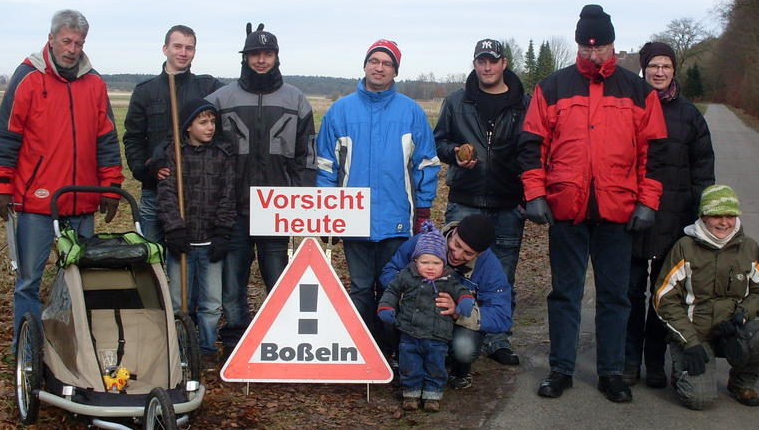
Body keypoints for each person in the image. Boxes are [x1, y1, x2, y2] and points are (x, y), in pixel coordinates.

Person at [519, 4, 667, 402]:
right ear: (577, 46)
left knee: (615, 297)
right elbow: (532, 145)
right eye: (587, 48)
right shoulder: (552, 87)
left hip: (618, 211)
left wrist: (648, 202)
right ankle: (560, 369)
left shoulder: (638, 92)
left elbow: (653, 153)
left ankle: (612, 372)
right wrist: (535, 194)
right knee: (564, 294)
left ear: (612, 44)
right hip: (566, 208)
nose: (594, 54)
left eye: (600, 47)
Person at [0, 9, 124, 350]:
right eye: (66, 41)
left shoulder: (94, 83)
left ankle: (72, 348)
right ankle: (28, 349)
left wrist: (111, 187)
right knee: (28, 281)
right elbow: (5, 135)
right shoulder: (28, 77)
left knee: (79, 281)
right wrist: (0, 186)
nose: (72, 49)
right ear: (51, 39)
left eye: (79, 43)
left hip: (82, 201)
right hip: (36, 201)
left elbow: (106, 139)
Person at [316, 39, 440, 361]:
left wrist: (423, 211)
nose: (379, 67)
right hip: (352, 219)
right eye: (374, 61)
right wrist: (328, 212)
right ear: (365, 65)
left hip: (396, 219)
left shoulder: (411, 113)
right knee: (360, 289)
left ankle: (389, 352)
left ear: (395, 71)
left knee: (392, 287)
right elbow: (326, 167)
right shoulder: (340, 111)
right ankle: (361, 351)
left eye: (387, 63)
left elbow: (427, 164)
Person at [207, 24, 317, 351]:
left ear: (276, 58)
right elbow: (195, 137)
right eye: (255, 54)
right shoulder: (220, 98)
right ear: (245, 58)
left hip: (276, 209)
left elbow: (307, 156)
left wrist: (300, 200)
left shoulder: (296, 99)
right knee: (233, 285)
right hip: (233, 208)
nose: (261, 60)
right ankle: (237, 342)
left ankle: (280, 339)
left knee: (278, 280)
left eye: (267, 54)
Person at [623, 42, 715, 389]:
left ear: (674, 70)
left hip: (674, 222)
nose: (659, 72)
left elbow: (703, 171)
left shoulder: (689, 115)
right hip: (632, 218)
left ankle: (655, 361)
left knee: (664, 296)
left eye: (666, 66)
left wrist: (700, 217)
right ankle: (629, 360)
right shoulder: (629, 106)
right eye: (653, 66)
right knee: (630, 295)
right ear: (644, 69)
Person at [433, 37, 528, 367]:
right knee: (453, 268)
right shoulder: (456, 102)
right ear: (474, 64)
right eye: (481, 61)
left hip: (508, 202)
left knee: (502, 275)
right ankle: (448, 332)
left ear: (504, 64)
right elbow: (439, 143)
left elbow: (534, 151)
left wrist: (528, 195)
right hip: (466, 199)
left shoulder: (524, 105)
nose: (487, 67)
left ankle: (498, 339)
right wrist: (455, 154)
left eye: (493, 61)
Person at [653, 184, 759, 409]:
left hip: (731, 331)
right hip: (694, 334)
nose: (724, 222)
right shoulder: (684, 247)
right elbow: (664, 299)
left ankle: (742, 383)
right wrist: (689, 342)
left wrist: (742, 315)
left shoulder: (749, 247)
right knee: (699, 399)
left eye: (730, 216)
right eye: (716, 216)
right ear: (703, 216)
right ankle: (681, 370)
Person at [380, 214, 510, 391]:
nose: (457, 255)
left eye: (468, 253)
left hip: (454, 324)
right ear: (454, 232)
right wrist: (404, 291)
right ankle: (407, 363)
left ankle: (459, 371)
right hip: (415, 317)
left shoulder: (490, 266)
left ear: (480, 254)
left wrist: (459, 312)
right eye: (457, 245)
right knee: (390, 311)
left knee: (464, 347)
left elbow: (502, 315)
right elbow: (389, 270)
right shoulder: (425, 242)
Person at [123, 25, 222, 245]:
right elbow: (133, 138)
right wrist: (144, 170)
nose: (183, 53)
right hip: (155, 192)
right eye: (177, 46)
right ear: (165, 48)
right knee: (153, 255)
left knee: (188, 255)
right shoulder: (145, 91)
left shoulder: (208, 87)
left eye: (189, 48)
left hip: (197, 192)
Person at [156, 98, 237, 362]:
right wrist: (174, 229)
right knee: (180, 301)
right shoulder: (173, 154)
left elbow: (228, 195)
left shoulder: (223, 154)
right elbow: (166, 195)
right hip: (183, 241)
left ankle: (207, 349)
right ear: (188, 127)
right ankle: (181, 348)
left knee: (211, 303)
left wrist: (223, 231)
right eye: (203, 122)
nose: (210, 127)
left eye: (212, 121)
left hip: (210, 241)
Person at [377, 222, 476, 412]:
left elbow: (461, 290)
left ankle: (433, 394)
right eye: (425, 262)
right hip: (409, 332)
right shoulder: (406, 276)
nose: (430, 267)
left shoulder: (448, 279)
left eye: (436, 263)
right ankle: (411, 393)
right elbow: (392, 290)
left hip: (437, 335)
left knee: (435, 365)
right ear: (415, 261)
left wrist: (465, 300)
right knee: (409, 363)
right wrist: (386, 306)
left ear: (443, 263)